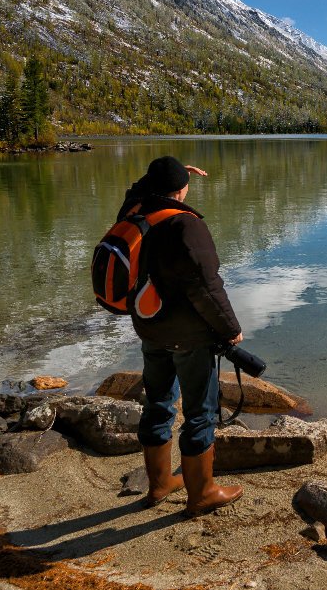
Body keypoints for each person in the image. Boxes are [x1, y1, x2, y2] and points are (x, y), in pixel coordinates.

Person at [118, 155, 243, 516]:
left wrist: (170, 174)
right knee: (200, 413)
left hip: (150, 327)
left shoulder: (134, 212)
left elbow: (135, 190)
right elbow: (207, 286)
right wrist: (230, 330)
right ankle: (201, 492)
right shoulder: (186, 225)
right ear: (181, 191)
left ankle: (159, 484)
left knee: (158, 404)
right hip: (189, 336)